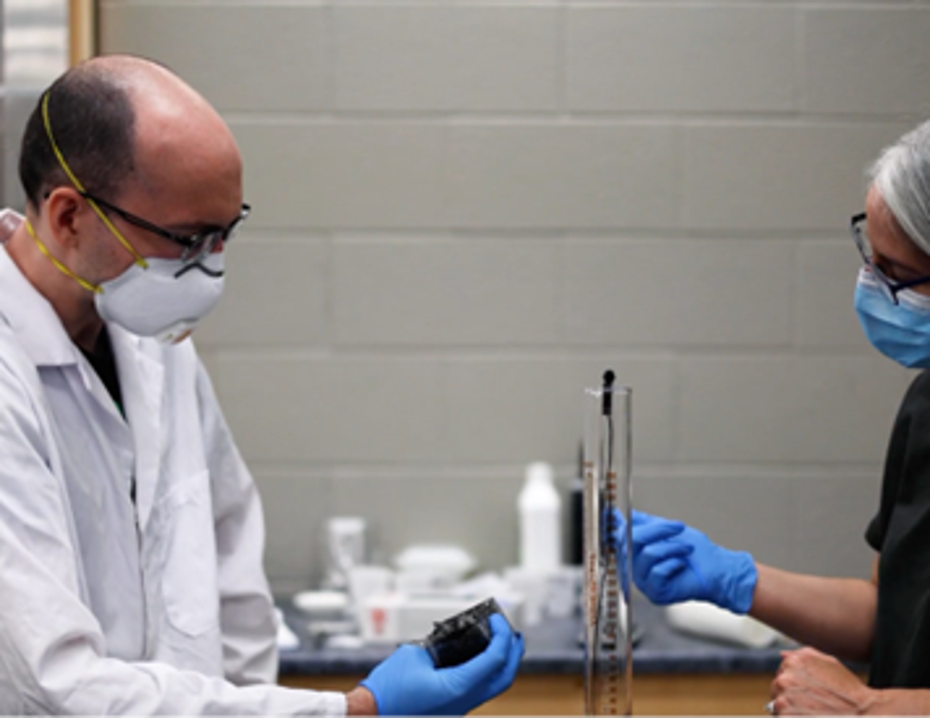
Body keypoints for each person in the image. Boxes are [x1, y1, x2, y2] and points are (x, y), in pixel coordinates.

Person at [0, 54, 523, 717]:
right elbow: (53, 685)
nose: (210, 271)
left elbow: (234, 591)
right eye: (187, 241)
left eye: (224, 236)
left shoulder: (151, 343)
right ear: (70, 217)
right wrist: (353, 714)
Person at [623, 119, 930, 716]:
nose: (869, 286)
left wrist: (869, 709)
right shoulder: (926, 406)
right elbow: (888, 614)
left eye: (895, 275)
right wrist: (735, 579)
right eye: (869, 255)